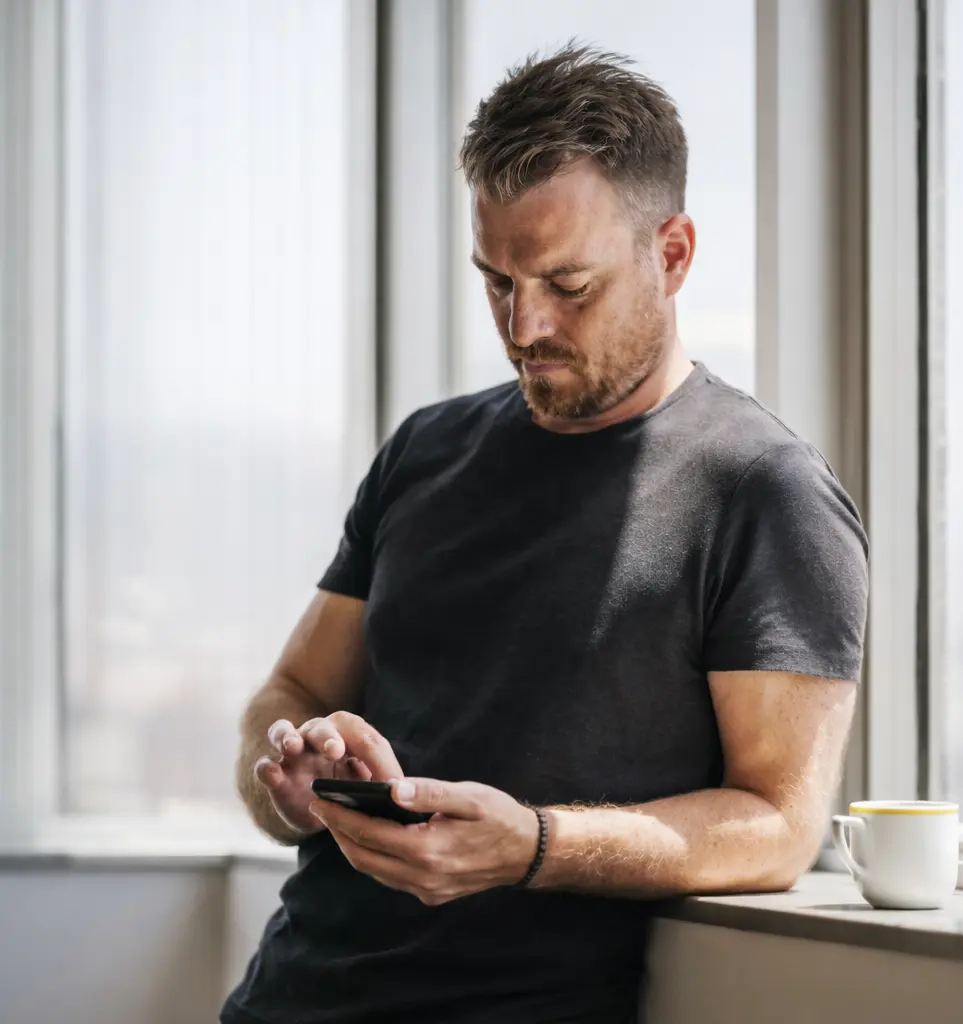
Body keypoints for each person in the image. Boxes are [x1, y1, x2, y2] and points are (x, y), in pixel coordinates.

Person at [220, 45, 868, 1024]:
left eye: (569, 284)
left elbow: (779, 824)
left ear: (673, 255)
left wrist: (531, 844)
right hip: (286, 998)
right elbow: (292, 694)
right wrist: (292, 780)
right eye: (497, 281)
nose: (524, 326)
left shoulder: (765, 492)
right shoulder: (425, 451)